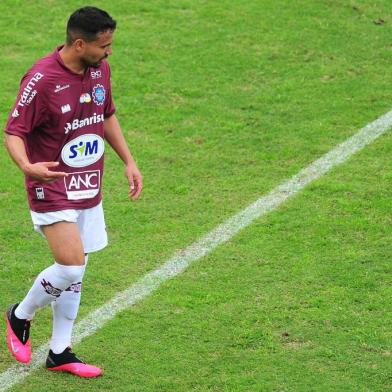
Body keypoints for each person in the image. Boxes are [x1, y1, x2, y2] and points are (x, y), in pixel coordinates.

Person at [4, 6, 142, 378]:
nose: (109, 52)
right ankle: (20, 314)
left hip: (89, 182)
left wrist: (128, 160)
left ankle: (60, 351)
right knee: (70, 265)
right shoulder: (41, 78)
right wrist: (27, 166)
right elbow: (13, 131)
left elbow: (105, 114)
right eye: (103, 46)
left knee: (78, 270)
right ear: (79, 44)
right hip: (51, 184)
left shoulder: (100, 69)